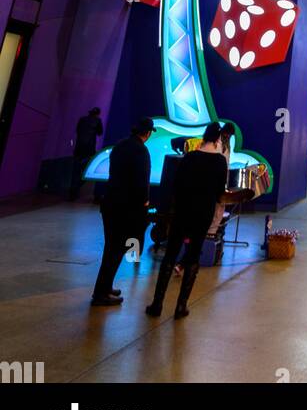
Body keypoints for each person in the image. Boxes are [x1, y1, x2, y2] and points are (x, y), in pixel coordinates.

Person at [146, 121, 229, 319]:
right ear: (218, 140)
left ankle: (157, 304)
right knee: (192, 256)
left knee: (171, 254)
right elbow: (220, 193)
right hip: (203, 214)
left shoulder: (189, 158)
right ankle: (180, 307)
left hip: (182, 212)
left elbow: (176, 186)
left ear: (204, 137)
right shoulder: (219, 162)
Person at [91, 117, 153, 307]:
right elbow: (141, 182)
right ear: (148, 133)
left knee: (111, 248)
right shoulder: (141, 151)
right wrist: (144, 202)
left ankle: (105, 286)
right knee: (116, 250)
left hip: (110, 204)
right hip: (126, 208)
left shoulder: (120, 146)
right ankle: (101, 293)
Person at [70, 106, 103, 200]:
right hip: (89, 150)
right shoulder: (98, 121)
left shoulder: (82, 119)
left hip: (78, 149)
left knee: (75, 171)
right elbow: (100, 132)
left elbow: (77, 131)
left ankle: (72, 193)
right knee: (86, 171)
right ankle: (77, 187)